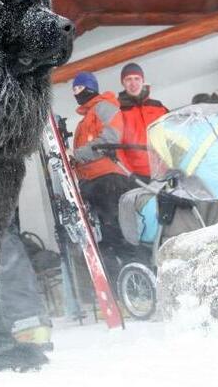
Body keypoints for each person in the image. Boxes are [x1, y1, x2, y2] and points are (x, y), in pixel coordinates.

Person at [70, 71, 138, 272]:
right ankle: (119, 286)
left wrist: (76, 154)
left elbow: (109, 140)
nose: (76, 93)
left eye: (80, 88)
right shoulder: (84, 120)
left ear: (91, 86)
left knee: (116, 231)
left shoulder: (104, 107)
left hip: (108, 179)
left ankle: (136, 276)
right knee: (102, 237)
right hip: (90, 182)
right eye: (74, 89)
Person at [116, 63, 168, 179]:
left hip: (165, 170)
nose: (133, 83)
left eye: (137, 79)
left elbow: (173, 135)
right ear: (123, 83)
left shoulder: (158, 107)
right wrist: (128, 173)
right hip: (138, 176)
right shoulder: (118, 111)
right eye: (128, 79)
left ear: (143, 80)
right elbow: (117, 147)